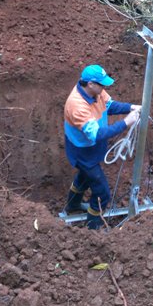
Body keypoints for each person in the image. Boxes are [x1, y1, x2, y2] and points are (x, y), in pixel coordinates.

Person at [63, 64, 141, 229]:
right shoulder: (77, 105)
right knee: (102, 193)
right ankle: (93, 228)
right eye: (102, 84)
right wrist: (126, 122)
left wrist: (131, 107)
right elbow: (97, 134)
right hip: (82, 152)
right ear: (90, 84)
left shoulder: (96, 91)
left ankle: (72, 206)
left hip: (91, 149)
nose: (105, 87)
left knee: (84, 178)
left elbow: (109, 105)